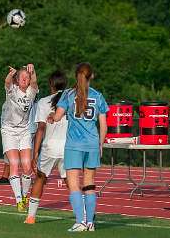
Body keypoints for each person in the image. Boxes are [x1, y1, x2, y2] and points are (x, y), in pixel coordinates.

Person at [47, 62, 108, 232]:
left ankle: (80, 221)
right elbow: (103, 125)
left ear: (76, 76)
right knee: (89, 184)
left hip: (74, 144)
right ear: (92, 76)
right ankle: (90, 223)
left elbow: (58, 117)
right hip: (92, 144)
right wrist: (101, 144)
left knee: (74, 184)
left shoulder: (68, 94)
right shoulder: (98, 96)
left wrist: (51, 116)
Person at [25, 70, 68, 224]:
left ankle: (31, 217)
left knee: (40, 179)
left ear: (51, 84)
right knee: (71, 182)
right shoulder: (72, 100)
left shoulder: (44, 102)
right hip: (68, 147)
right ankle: (83, 215)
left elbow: (41, 129)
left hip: (50, 147)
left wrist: (35, 153)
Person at [1, 64, 38, 212]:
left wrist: (33, 71)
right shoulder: (12, 90)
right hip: (9, 130)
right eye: (22, 77)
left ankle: (24, 195)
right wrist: (11, 74)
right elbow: (7, 82)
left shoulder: (31, 92)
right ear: (17, 79)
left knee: (28, 167)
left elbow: (35, 83)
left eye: (27, 77)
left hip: (24, 131)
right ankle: (18, 200)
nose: (25, 79)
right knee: (15, 164)